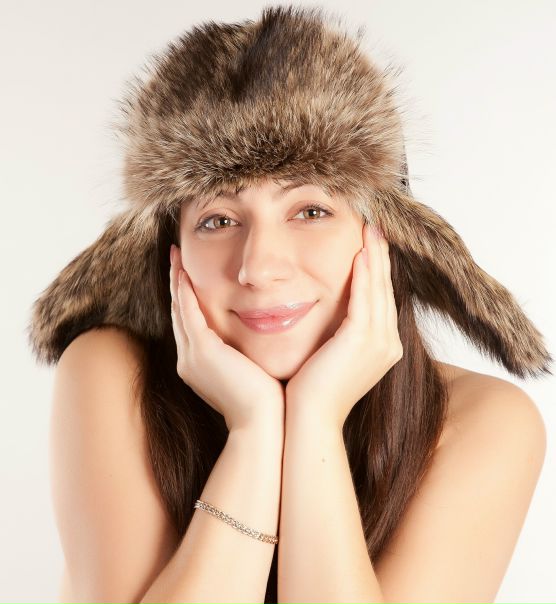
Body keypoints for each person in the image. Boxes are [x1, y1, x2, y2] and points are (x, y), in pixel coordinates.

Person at [27, 5, 551, 603]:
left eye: (310, 211)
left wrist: (315, 421)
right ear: (174, 251)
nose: (258, 267)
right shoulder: (111, 373)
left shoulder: (484, 422)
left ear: (384, 233)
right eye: (218, 220)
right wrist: (253, 431)